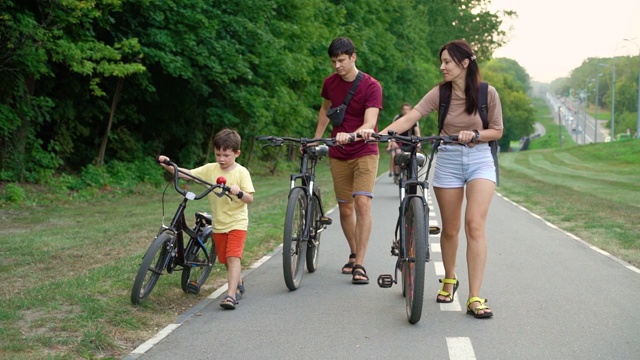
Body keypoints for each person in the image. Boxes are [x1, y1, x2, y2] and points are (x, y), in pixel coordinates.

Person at [360, 39, 503, 318]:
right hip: (448, 159)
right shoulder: (441, 93)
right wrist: (380, 134)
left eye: (447, 62)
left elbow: (497, 130)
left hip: (480, 159)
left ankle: (475, 296)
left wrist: (475, 135)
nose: (442, 67)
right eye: (442, 61)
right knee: (450, 229)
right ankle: (450, 279)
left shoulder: (488, 93)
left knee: (474, 225)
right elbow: (411, 117)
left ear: (464, 63)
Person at [157, 128, 255, 310]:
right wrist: (167, 164)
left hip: (237, 223)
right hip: (219, 224)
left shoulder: (242, 173)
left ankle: (231, 295)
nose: (221, 159)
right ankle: (238, 281)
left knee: (233, 257)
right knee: (225, 260)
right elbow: (187, 174)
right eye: (218, 154)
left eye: (226, 155)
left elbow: (250, 198)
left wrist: (239, 192)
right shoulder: (211, 169)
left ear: (237, 153)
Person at [314, 37, 383, 285]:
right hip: (338, 152)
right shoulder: (330, 83)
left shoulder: (371, 85)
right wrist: (316, 138)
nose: (337, 66)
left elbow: (370, 120)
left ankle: (361, 264)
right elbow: (325, 109)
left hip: (364, 149)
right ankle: (354, 253)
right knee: (345, 207)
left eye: (341, 60)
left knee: (362, 202)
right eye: (333, 61)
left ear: (353, 57)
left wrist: (356, 133)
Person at [386, 102, 420, 182]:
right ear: (401, 110)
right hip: (399, 142)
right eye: (404, 109)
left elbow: (417, 131)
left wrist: (418, 142)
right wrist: (393, 142)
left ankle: (413, 174)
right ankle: (397, 174)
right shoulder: (398, 118)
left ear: (410, 110)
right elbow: (392, 131)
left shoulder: (414, 119)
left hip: (410, 142)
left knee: (414, 157)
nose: (405, 111)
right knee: (397, 154)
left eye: (407, 109)